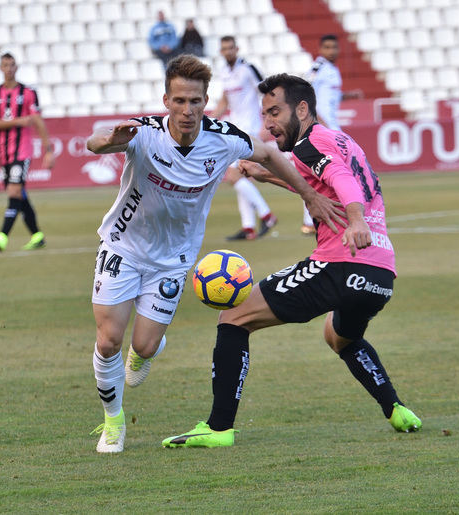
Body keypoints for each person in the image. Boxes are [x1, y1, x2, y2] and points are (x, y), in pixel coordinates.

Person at [84, 55, 342, 453]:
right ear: (166, 100)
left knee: (146, 347)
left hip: (172, 260)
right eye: (179, 101)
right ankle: (113, 422)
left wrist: (308, 195)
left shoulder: (224, 138)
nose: (187, 110)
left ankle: (146, 350)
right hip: (123, 246)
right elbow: (95, 141)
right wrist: (109, 139)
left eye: (195, 102)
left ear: (206, 101)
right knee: (108, 341)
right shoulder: (143, 133)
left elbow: (271, 155)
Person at [162, 74, 421, 449]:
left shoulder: (312, 142)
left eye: (275, 112)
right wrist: (265, 175)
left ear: (302, 109)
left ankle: (218, 429)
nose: (268, 123)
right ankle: (396, 409)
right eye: (265, 114)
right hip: (380, 273)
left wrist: (356, 220)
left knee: (233, 318)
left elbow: (341, 179)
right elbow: (316, 180)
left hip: (341, 262)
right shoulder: (340, 140)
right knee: (340, 337)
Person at [212, 36, 278, 241]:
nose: (228, 51)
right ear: (221, 51)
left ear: (237, 49)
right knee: (240, 175)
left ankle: (266, 215)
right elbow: (225, 99)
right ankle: (249, 227)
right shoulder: (224, 72)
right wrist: (209, 121)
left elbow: (267, 92)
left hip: (250, 128)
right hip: (234, 127)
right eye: (224, 48)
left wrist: (268, 120)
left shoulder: (248, 68)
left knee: (232, 174)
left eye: (231, 48)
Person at [0, 53, 54, 252]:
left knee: (14, 192)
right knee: (19, 195)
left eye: (12, 65)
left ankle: (2, 236)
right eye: (5, 65)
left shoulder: (28, 93)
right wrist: (19, 121)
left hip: (22, 151)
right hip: (3, 153)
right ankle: (37, 235)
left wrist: (48, 150)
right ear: (0, 68)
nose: (9, 68)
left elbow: (38, 121)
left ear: (16, 67)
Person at [300, 34, 364, 235]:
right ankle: (312, 221)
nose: (331, 51)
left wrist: (347, 95)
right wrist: (319, 122)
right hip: (324, 129)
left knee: (332, 174)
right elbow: (304, 92)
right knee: (328, 173)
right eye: (327, 47)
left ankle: (317, 220)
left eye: (334, 47)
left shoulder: (333, 70)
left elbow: (328, 97)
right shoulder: (317, 68)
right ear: (321, 49)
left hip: (333, 128)